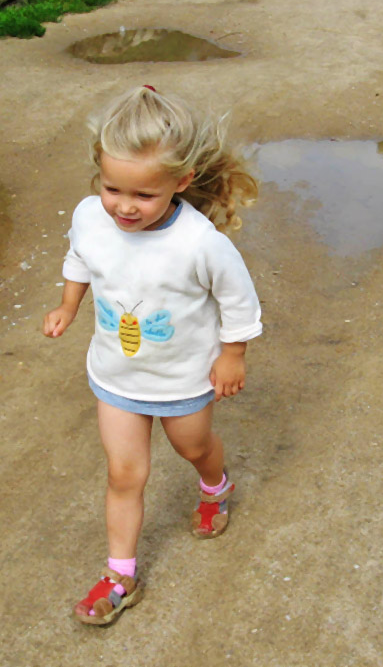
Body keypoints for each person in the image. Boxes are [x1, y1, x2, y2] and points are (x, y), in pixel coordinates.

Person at [42, 85, 262, 625]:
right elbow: (80, 256)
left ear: (181, 182)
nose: (124, 206)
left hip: (183, 380)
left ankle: (215, 485)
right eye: (112, 188)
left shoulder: (200, 243)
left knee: (194, 447)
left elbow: (238, 299)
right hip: (116, 377)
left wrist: (232, 354)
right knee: (124, 474)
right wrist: (69, 305)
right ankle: (121, 575)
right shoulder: (91, 217)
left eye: (143, 195)